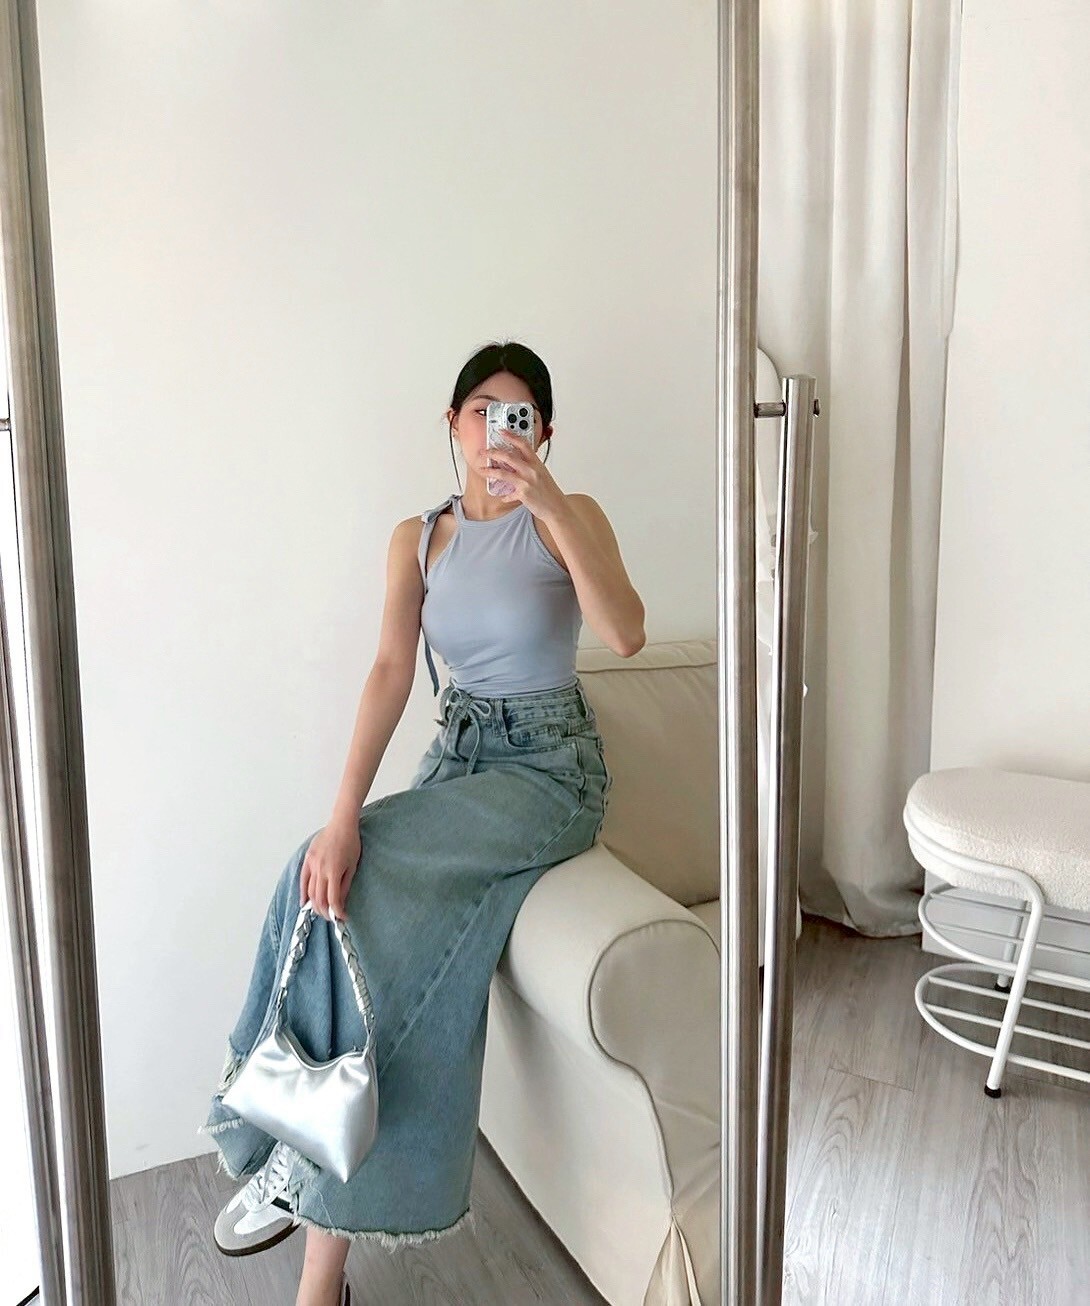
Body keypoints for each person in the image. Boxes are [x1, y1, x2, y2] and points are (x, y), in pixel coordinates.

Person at [199, 340, 645, 1306]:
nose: (498, 430)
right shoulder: (418, 538)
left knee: (366, 896)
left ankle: (306, 1221)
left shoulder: (568, 516)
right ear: (452, 422)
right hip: (458, 755)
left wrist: (551, 506)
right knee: (323, 883)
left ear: (545, 434)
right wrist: (343, 815)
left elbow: (625, 632)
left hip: (549, 770)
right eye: (482, 410)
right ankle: (294, 1164)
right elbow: (391, 671)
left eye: (520, 416)